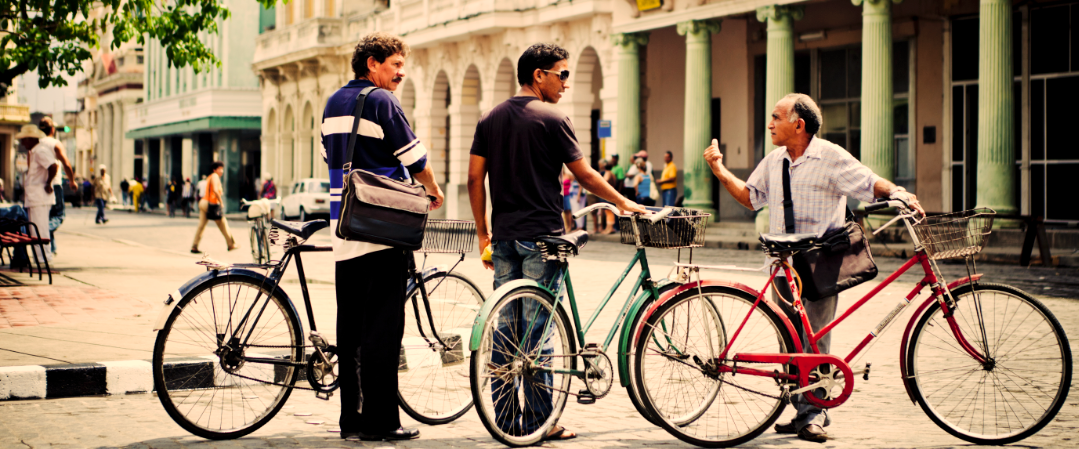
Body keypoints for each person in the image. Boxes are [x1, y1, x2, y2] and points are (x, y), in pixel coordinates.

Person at [704, 93, 922, 443]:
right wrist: (719, 169)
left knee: (815, 340)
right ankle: (800, 406)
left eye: (776, 117)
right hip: (781, 264)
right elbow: (750, 197)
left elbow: (868, 182)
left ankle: (812, 413)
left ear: (799, 125)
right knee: (790, 342)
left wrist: (898, 192)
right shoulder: (774, 161)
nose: (770, 123)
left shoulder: (830, 156)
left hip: (819, 263)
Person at [467, 42, 647, 443]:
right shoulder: (552, 117)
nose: (567, 82)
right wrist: (623, 202)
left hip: (506, 239)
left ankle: (506, 419)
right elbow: (584, 175)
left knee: (506, 329)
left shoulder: (489, 118)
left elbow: (473, 180)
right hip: (542, 239)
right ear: (539, 75)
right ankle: (540, 422)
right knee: (538, 330)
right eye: (562, 74)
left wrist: (483, 233)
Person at [322, 32, 444, 442]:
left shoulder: (332, 102)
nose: (401, 74)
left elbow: (329, 157)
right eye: (395, 65)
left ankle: (351, 419)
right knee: (383, 329)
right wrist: (433, 189)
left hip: (345, 227)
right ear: (371, 63)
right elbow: (414, 158)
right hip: (383, 230)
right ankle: (381, 422)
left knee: (350, 330)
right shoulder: (382, 102)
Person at [15, 125, 56, 263]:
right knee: (35, 229)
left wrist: (48, 183)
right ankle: (40, 258)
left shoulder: (40, 151)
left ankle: (44, 258)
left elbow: (53, 166)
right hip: (34, 197)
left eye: (24, 140)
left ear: (30, 139)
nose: (22, 143)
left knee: (41, 229)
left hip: (40, 197)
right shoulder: (34, 152)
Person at [38, 118, 76, 256]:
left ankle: (51, 249)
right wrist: (72, 181)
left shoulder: (35, 144)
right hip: (54, 184)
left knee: (48, 216)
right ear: (52, 129)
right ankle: (42, 234)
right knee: (59, 216)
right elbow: (65, 163)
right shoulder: (55, 143)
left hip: (40, 185)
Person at [191, 162, 239, 253]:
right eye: (219, 169)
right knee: (223, 223)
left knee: (201, 226)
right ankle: (231, 244)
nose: (222, 171)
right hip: (210, 204)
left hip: (204, 203)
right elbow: (215, 190)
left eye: (222, 169)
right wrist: (221, 202)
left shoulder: (210, 177)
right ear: (215, 170)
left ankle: (194, 246)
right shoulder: (215, 176)